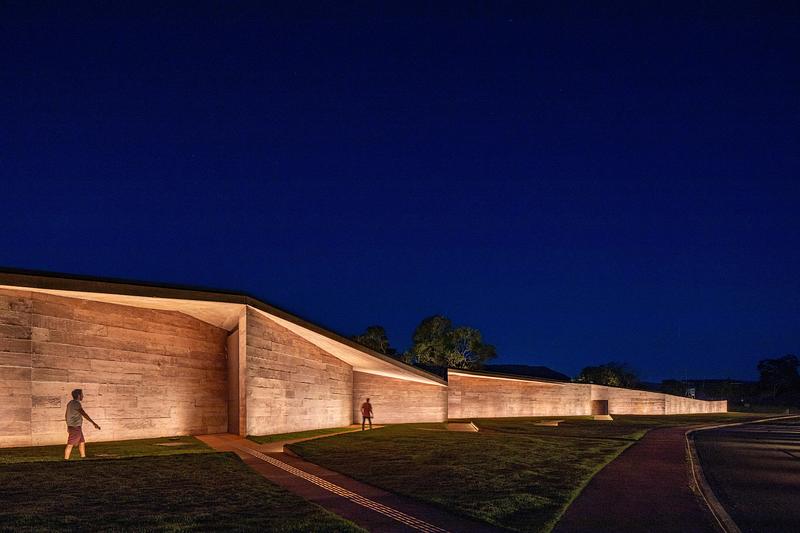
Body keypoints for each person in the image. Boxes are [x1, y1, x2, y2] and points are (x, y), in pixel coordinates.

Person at [64, 389, 100, 460]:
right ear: (78, 395)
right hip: (75, 427)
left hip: (74, 426)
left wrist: (68, 425)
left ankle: (83, 457)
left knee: (82, 442)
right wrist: (94, 423)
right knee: (70, 444)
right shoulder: (76, 403)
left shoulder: (70, 403)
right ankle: (66, 459)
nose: (83, 396)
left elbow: (66, 415)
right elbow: (84, 414)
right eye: (82, 395)